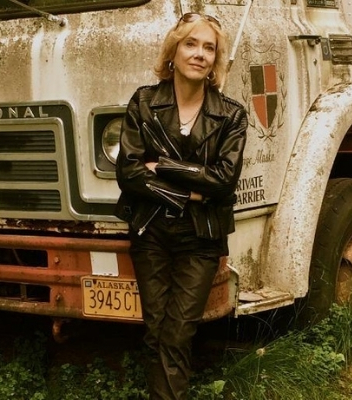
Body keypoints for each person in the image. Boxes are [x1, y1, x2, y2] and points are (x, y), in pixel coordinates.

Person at [115, 12, 247, 400]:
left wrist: (166, 166)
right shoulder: (144, 101)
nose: (200, 54)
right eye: (191, 44)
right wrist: (186, 191)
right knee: (156, 330)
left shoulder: (230, 114)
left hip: (200, 237)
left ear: (215, 62)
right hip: (150, 229)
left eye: (210, 48)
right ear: (173, 50)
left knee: (177, 332)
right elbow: (129, 173)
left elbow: (223, 181)